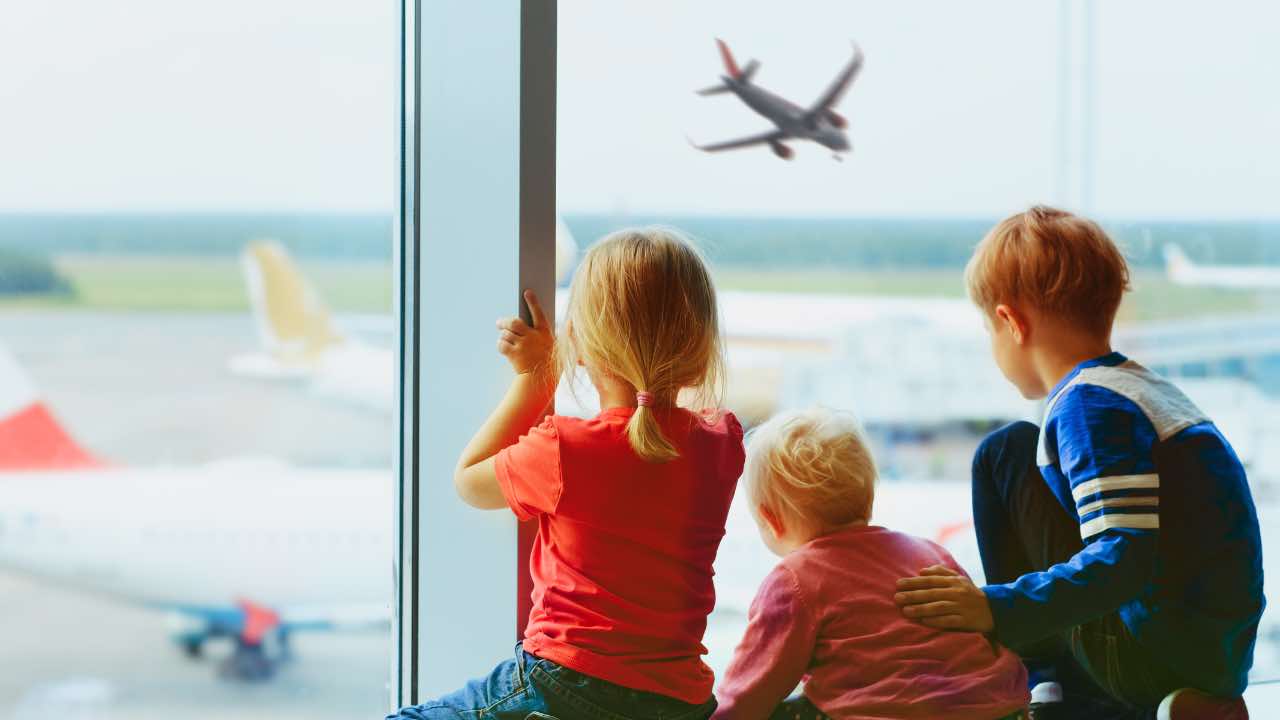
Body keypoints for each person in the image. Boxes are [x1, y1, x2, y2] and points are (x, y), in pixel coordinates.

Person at [893, 206, 1264, 720]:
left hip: (1153, 659)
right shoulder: (1142, 391)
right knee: (1024, 447)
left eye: (989, 330)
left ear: (1011, 322)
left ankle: (1057, 690)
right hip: (1214, 658)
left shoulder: (1088, 407)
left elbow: (1124, 558)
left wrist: (998, 607)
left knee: (1003, 455)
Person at [388, 227, 745, 720]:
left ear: (580, 342)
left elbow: (468, 481)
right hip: (678, 702)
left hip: (568, 683)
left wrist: (534, 382)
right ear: (700, 345)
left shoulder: (566, 449)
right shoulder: (722, 444)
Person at [714, 407, 1030, 720]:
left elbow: (747, 694)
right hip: (1001, 708)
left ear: (771, 521)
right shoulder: (930, 553)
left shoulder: (794, 579)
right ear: (868, 497)